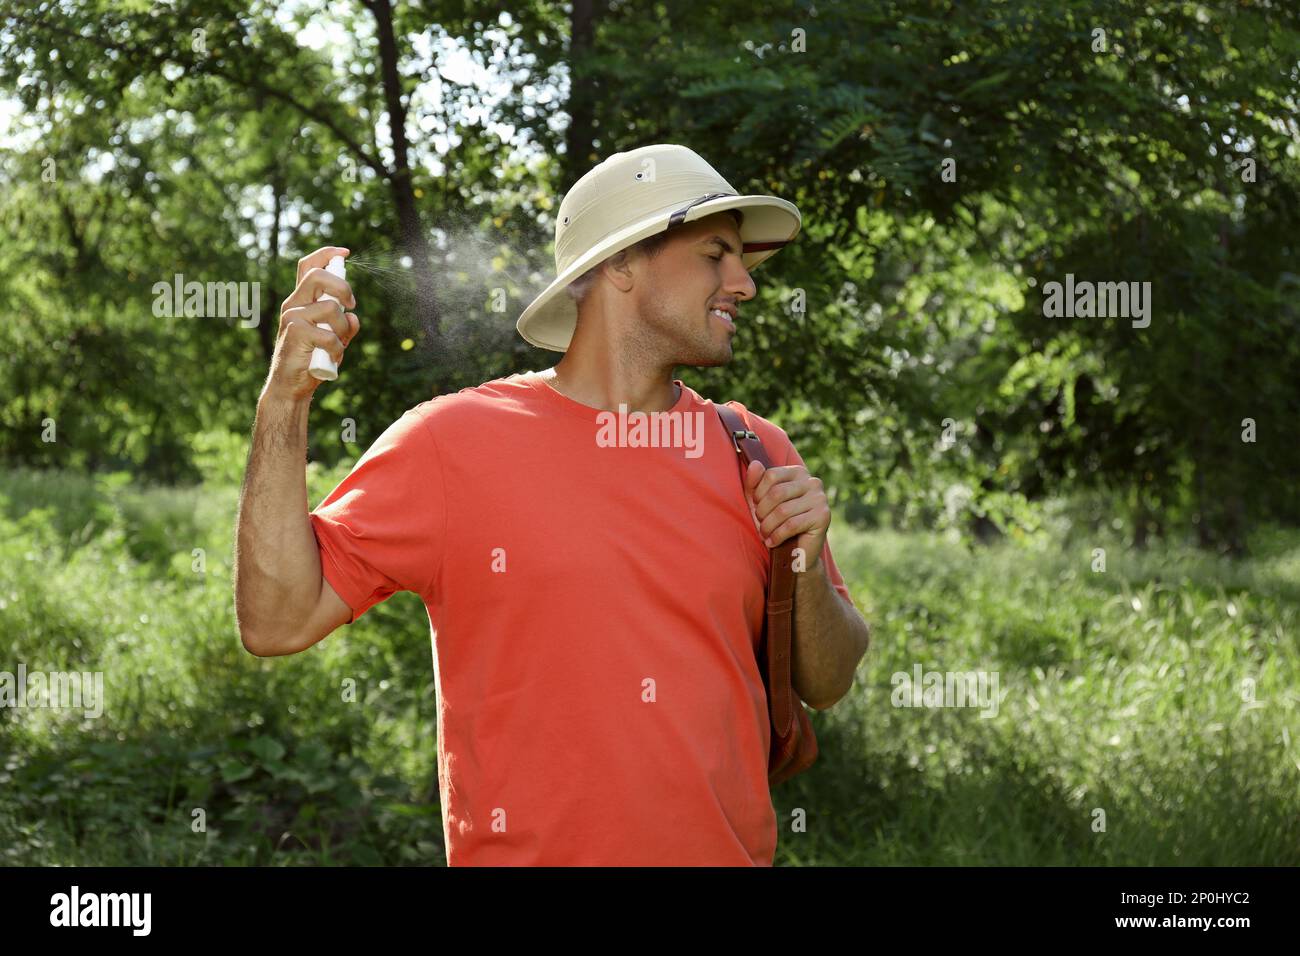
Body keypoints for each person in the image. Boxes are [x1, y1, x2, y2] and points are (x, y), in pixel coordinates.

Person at [234, 143, 871, 866]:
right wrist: (285, 403)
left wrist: (806, 563)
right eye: (716, 254)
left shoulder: (753, 449)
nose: (744, 284)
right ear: (622, 262)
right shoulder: (455, 442)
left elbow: (829, 680)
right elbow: (277, 619)